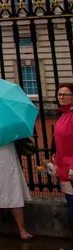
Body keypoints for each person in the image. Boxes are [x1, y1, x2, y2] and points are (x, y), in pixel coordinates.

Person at [51, 83, 73, 226]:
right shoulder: (64, 114)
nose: (62, 97)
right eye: (60, 94)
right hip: (64, 168)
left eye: (66, 94)